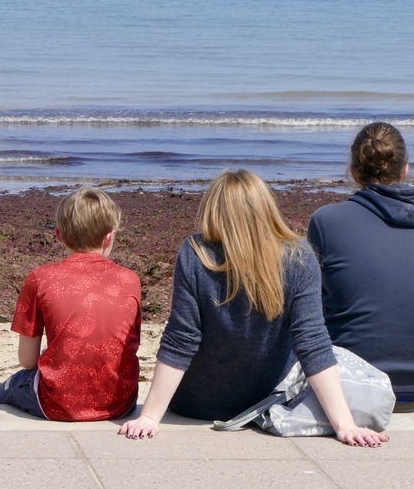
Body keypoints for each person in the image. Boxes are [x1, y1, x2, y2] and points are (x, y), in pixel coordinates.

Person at [120, 170, 388, 447]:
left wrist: (150, 417)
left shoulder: (196, 252)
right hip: (269, 400)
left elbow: (182, 338)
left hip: (196, 402)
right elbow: (312, 342)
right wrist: (344, 425)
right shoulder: (298, 256)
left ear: (213, 209)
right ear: (265, 207)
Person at [307, 122, 414, 412]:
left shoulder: (327, 220)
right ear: (405, 169)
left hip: (350, 387)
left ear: (353, 171)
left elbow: (310, 306)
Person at [0, 187, 142, 421]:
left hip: (58, 405)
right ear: (109, 236)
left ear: (59, 235)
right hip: (120, 403)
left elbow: (27, 360)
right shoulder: (130, 279)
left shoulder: (40, 278)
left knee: (5, 389)